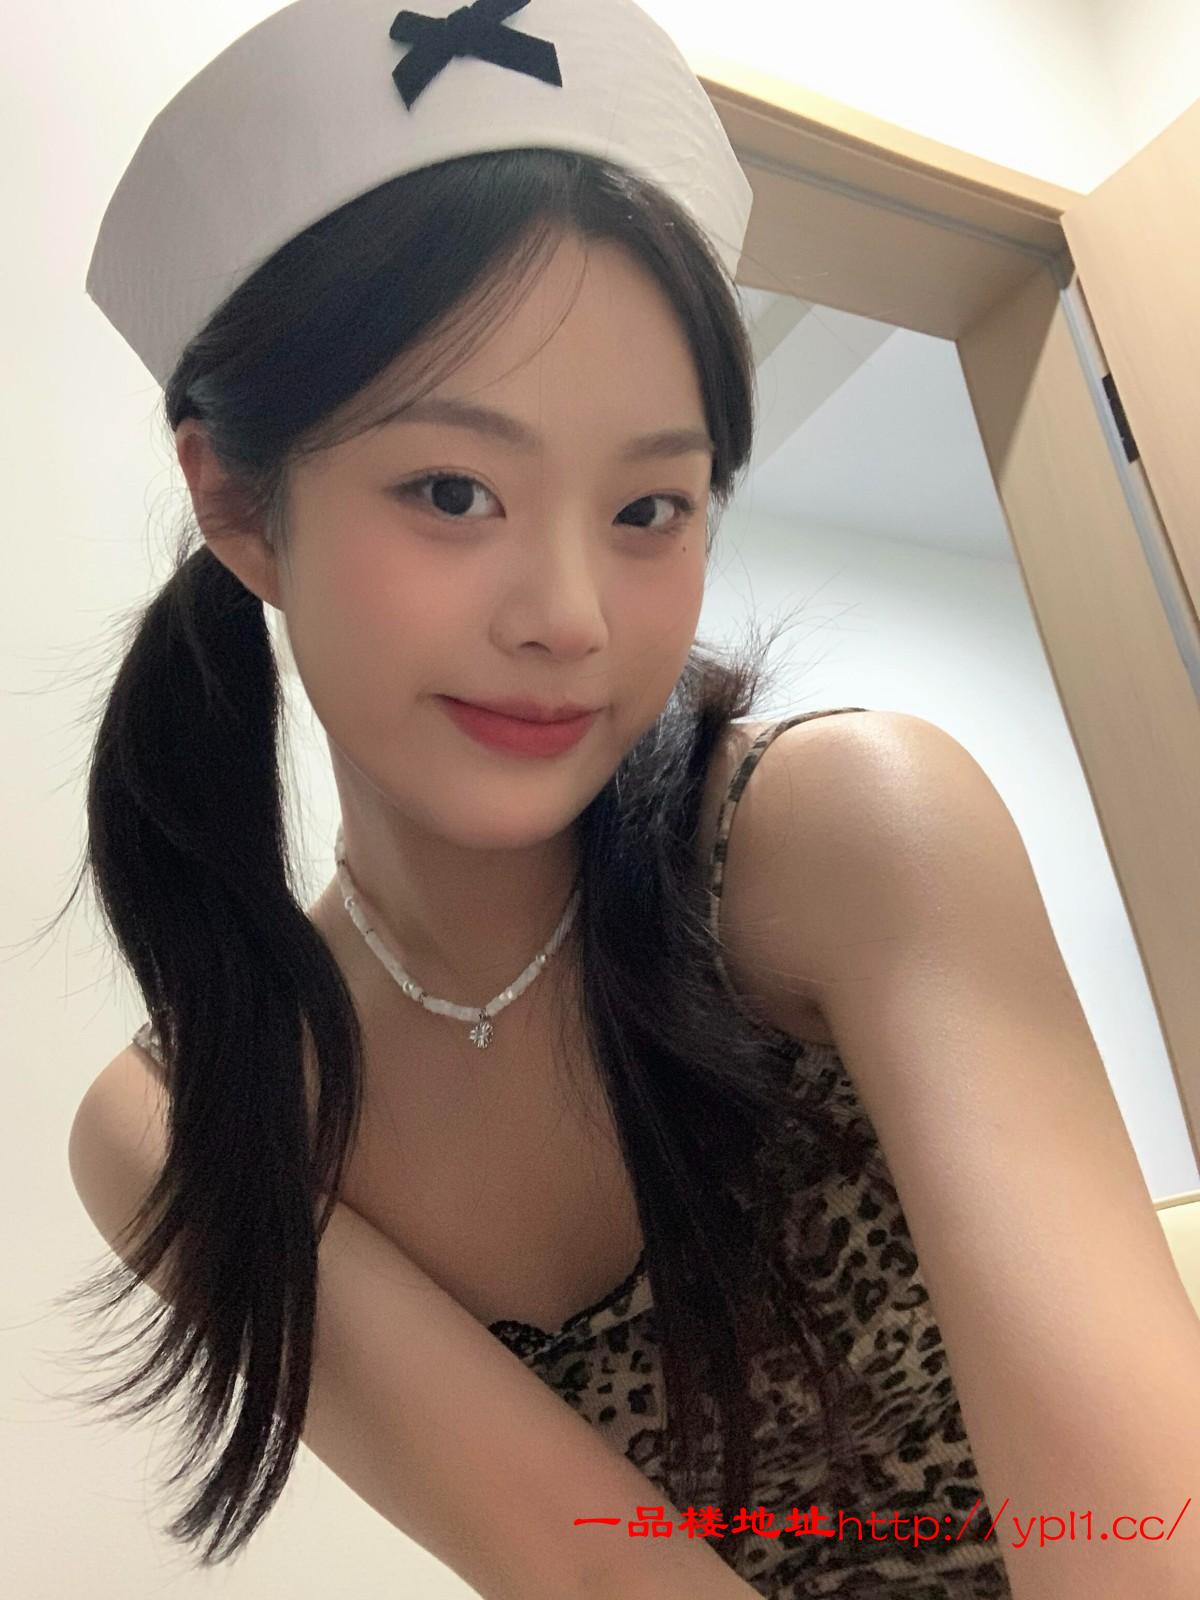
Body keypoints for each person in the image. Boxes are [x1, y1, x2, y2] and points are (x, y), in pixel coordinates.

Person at [58, 4, 1200, 1599]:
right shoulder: (203, 1121)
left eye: (651, 505)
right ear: (240, 503)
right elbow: (601, 1576)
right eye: (453, 490)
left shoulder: (845, 829)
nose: (572, 617)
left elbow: (1147, 1548)